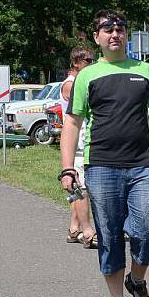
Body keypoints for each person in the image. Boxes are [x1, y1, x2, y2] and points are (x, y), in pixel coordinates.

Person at [60, 10, 149, 297]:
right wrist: (67, 167)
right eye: (107, 29)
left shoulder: (145, 72)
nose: (114, 33)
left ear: (126, 35)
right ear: (97, 37)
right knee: (110, 235)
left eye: (120, 29)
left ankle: (137, 279)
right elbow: (72, 123)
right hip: (101, 167)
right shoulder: (87, 76)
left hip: (142, 165)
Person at [60, 45, 96, 248]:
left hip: (82, 140)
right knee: (81, 189)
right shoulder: (71, 83)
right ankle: (87, 230)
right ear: (75, 63)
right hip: (78, 140)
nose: (92, 64)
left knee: (78, 187)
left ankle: (74, 229)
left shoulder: (80, 80)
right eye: (88, 61)